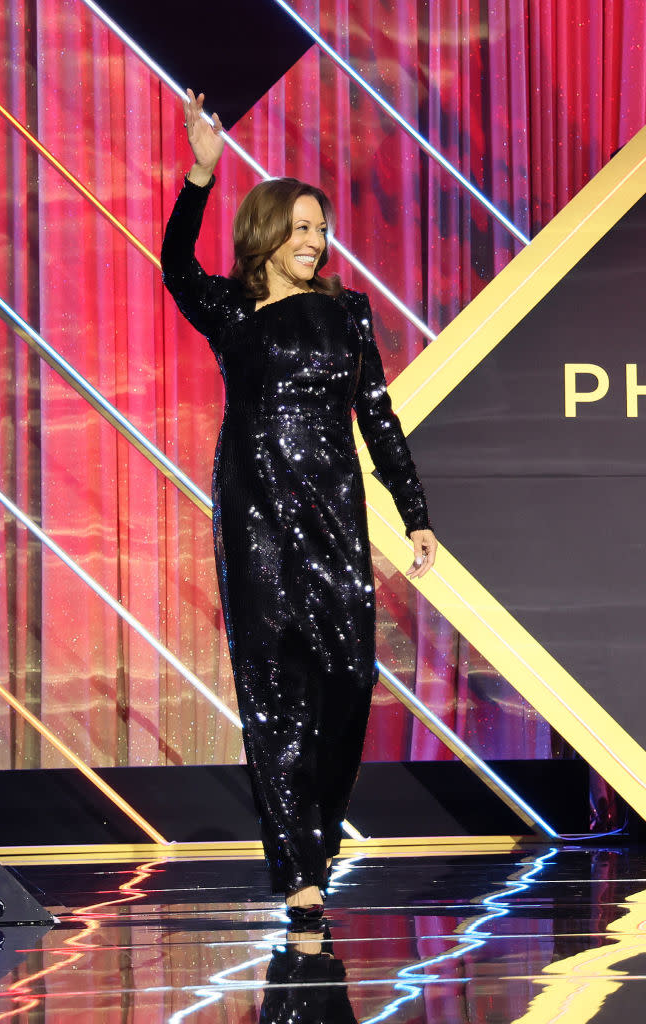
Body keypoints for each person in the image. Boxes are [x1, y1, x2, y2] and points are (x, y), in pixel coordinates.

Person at [161, 89, 438, 922]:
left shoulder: (350, 314)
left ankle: (314, 833)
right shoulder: (233, 311)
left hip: (333, 510)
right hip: (253, 515)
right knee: (273, 686)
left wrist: (415, 510)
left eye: (322, 230)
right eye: (303, 227)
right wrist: (199, 176)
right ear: (268, 233)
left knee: (349, 679)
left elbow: (378, 419)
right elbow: (177, 264)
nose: (316, 242)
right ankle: (299, 869)